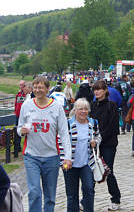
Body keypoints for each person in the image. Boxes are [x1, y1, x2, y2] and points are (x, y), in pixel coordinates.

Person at [17, 76, 72, 212]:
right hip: (31, 156)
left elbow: (64, 133)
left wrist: (68, 157)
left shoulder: (56, 107)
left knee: (50, 195)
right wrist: (22, 131)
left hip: (51, 157)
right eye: (35, 87)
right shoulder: (27, 105)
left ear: (47, 89)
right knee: (34, 192)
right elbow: (19, 128)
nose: (38, 90)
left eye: (41, 87)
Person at [60, 98, 101, 212]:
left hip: (87, 163)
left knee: (89, 189)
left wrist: (96, 142)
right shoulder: (68, 124)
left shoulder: (93, 123)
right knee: (72, 194)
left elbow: (98, 136)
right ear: (75, 110)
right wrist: (64, 160)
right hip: (70, 163)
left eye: (85, 109)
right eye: (80, 109)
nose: (83, 111)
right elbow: (60, 142)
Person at [90, 81, 121, 211]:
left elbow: (112, 126)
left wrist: (100, 138)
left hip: (108, 143)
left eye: (99, 90)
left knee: (108, 171)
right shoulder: (92, 106)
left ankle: (115, 199)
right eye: (95, 90)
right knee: (91, 171)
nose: (97, 92)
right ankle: (86, 200)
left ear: (105, 91)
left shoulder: (111, 106)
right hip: (93, 144)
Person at [14, 80, 26, 151]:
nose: (21, 87)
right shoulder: (18, 94)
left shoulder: (26, 95)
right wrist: (15, 111)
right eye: (20, 85)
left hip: (24, 115)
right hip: (18, 115)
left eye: (22, 85)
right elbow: (16, 103)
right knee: (17, 130)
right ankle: (17, 147)